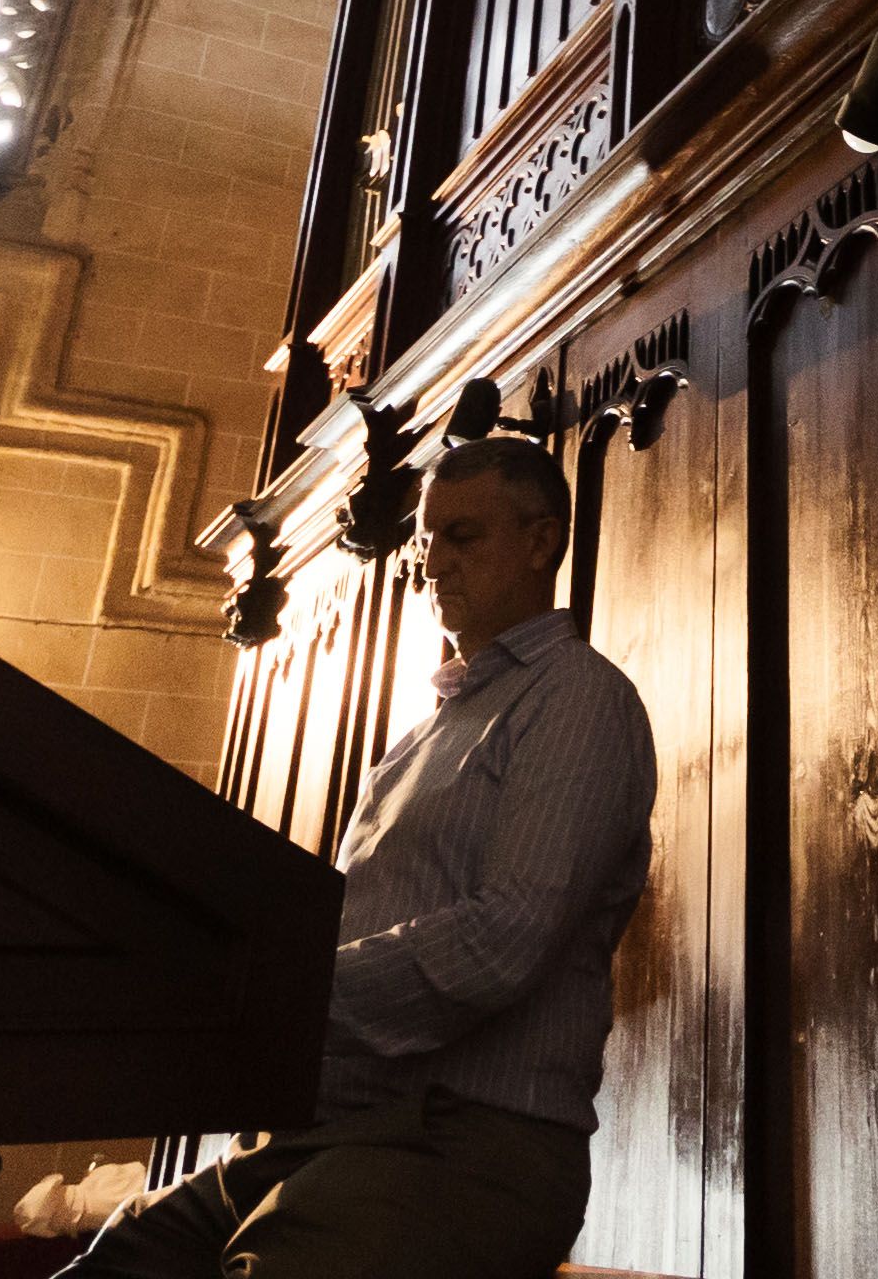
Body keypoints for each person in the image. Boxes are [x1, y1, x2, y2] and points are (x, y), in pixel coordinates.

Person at [64, 435, 656, 1279]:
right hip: (333, 1131)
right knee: (113, 1263)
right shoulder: (425, 731)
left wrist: (276, 992)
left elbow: (504, 938)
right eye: (425, 541)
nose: (432, 562)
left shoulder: (580, 696)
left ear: (541, 540)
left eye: (463, 537)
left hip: (471, 1145)